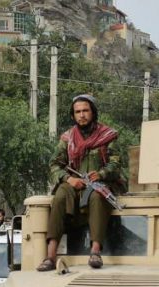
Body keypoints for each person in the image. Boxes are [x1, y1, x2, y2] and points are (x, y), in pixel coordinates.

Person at [38, 94, 121, 272]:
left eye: (85, 111)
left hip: (100, 184)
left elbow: (116, 163)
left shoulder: (107, 135)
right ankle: (50, 256)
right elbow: (54, 164)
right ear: (73, 115)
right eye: (78, 112)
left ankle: (95, 251)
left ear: (93, 112)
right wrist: (69, 178)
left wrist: (101, 174)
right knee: (60, 195)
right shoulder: (67, 138)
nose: (81, 115)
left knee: (98, 197)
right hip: (74, 184)